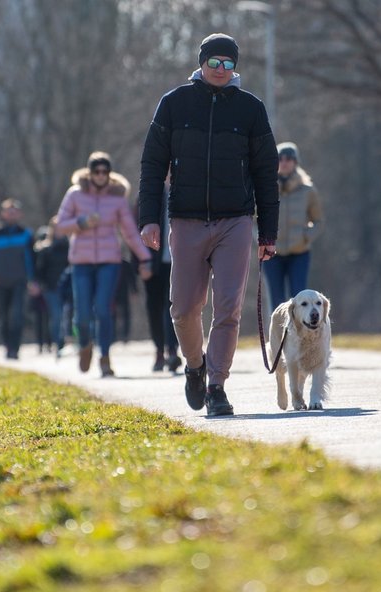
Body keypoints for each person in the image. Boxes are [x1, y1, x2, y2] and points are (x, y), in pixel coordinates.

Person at [138, 32, 279, 417]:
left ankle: (217, 385)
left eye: (228, 63)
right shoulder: (174, 104)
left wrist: (268, 232)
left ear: (236, 67)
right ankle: (195, 366)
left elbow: (266, 174)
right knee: (183, 309)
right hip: (185, 220)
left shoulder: (251, 109)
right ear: (201, 64)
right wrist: (148, 218)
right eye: (214, 62)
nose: (220, 69)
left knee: (228, 308)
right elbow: (151, 166)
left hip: (235, 220)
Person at [55, 152, 152, 377]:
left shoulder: (117, 199)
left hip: (109, 261)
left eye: (105, 172)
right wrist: (81, 222)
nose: (101, 175)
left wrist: (144, 256)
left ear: (109, 174)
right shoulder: (75, 195)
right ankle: (85, 344)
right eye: (96, 171)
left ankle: (105, 356)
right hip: (81, 262)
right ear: (90, 173)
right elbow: (60, 225)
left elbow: (129, 231)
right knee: (82, 316)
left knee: (103, 309)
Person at [263, 141, 323, 310]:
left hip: (299, 253)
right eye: (280, 158)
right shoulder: (265, 188)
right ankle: (280, 336)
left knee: (300, 298)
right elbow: (253, 219)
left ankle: (300, 336)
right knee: (277, 301)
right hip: (272, 254)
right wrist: (261, 239)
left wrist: (306, 237)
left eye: (288, 158)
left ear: (295, 162)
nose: (284, 162)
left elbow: (318, 221)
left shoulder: (308, 190)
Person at [0, 198, 36, 360]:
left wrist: (32, 279)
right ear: (3, 214)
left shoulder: (26, 234)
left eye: (14, 212)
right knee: (3, 316)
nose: (11, 215)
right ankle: (7, 346)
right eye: (9, 211)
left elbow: (32, 259)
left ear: (19, 214)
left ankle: (15, 348)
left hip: (20, 281)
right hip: (1, 281)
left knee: (17, 315)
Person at [142, 178, 181, 373]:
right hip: (152, 263)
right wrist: (141, 262)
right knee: (154, 308)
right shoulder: (151, 194)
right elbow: (136, 230)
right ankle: (159, 350)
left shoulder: (185, 190)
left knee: (173, 306)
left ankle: (172, 351)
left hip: (177, 262)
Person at [34, 217, 70, 358]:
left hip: (67, 288)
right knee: (56, 316)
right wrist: (39, 284)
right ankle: (58, 343)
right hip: (51, 288)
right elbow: (40, 270)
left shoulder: (70, 247)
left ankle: (71, 342)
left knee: (68, 316)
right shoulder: (45, 249)